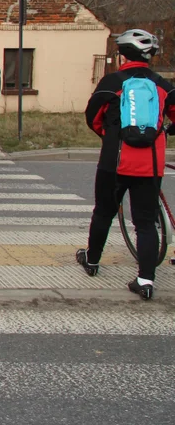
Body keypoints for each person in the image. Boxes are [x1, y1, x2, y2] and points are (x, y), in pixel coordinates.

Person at [78, 29, 175, 300]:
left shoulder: (111, 82)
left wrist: (108, 136)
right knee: (145, 223)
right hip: (150, 165)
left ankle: (93, 260)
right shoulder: (163, 85)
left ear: (122, 56)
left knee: (103, 212)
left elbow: (93, 117)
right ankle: (145, 280)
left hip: (114, 161)